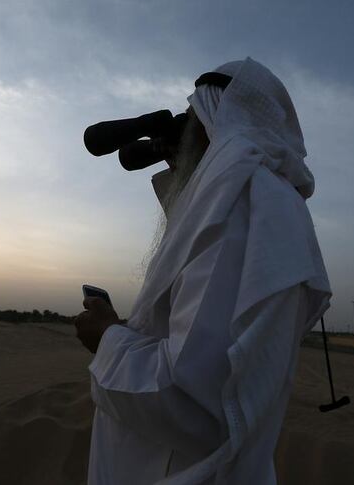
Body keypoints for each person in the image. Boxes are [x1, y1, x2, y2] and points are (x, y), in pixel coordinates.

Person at [75, 57, 331, 484]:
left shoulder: (243, 205)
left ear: (218, 122)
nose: (185, 130)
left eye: (193, 117)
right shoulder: (257, 203)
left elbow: (194, 400)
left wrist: (107, 339)